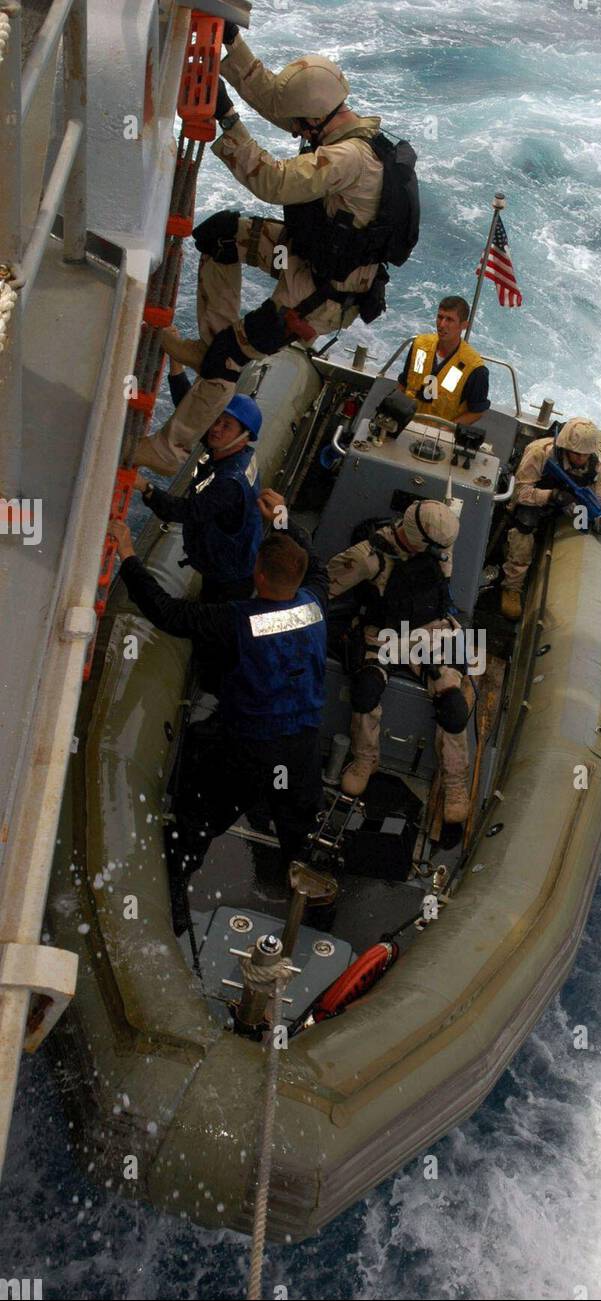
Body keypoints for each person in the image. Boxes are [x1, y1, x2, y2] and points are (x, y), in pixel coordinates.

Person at [133, 27, 415, 477]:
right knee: (220, 236)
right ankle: (207, 344)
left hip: (322, 293)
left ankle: (171, 448)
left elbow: (274, 181)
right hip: (313, 256)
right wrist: (230, 44)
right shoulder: (339, 125)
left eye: (300, 125)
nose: (296, 129)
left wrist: (228, 121)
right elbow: (277, 100)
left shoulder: (348, 159)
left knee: (230, 357)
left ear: (313, 119)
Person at [108, 515, 328, 935]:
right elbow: (316, 566)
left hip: (248, 748)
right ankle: (309, 892)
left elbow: (169, 614)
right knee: (297, 819)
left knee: (199, 817)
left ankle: (175, 894)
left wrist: (129, 554)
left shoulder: (238, 621)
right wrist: (288, 522)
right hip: (300, 746)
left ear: (258, 574)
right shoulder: (314, 603)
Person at [324, 498, 474, 825]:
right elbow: (326, 586)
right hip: (383, 633)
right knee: (365, 691)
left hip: (429, 630)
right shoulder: (368, 558)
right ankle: (365, 758)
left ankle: (455, 779)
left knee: (454, 706)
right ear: (422, 540)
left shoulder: (438, 547)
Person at [134, 391, 263, 602]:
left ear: (244, 436)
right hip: (228, 557)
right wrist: (176, 370)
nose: (216, 429)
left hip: (230, 575)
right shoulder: (231, 450)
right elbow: (191, 414)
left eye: (226, 425)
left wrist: (145, 487)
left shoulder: (230, 481)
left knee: (212, 620)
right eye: (217, 420)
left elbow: (188, 511)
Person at [500, 417, 601, 621]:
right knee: (524, 526)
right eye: (576, 454)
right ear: (566, 447)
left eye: (586, 455)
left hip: (567, 505)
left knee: (584, 525)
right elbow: (520, 493)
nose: (581, 459)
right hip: (534, 501)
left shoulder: (595, 467)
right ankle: (512, 587)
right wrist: (552, 496)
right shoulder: (540, 453)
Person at [398, 296, 490, 425]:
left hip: (440, 433)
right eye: (440, 317)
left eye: (450, 320)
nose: (442, 325)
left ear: (464, 325)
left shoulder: (474, 368)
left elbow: (476, 411)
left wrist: (447, 429)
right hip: (406, 421)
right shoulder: (419, 346)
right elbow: (403, 384)